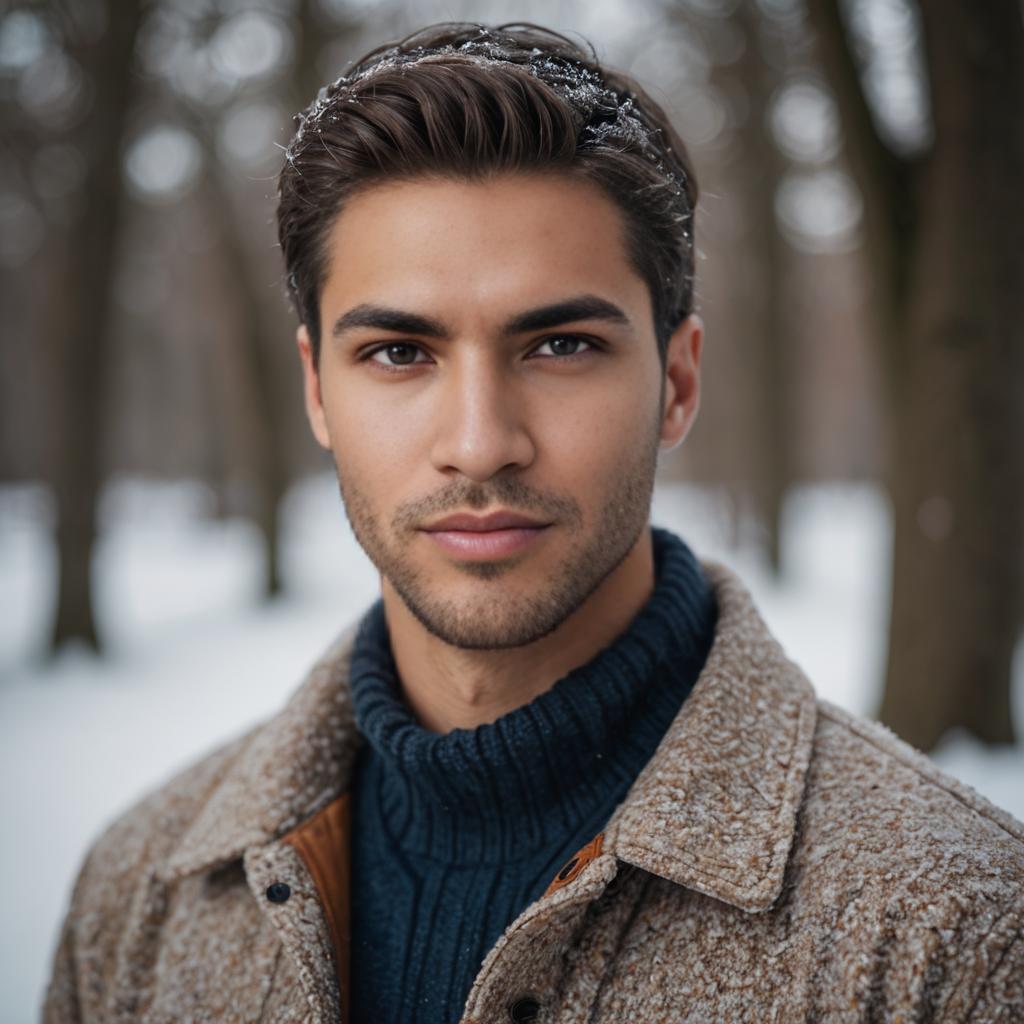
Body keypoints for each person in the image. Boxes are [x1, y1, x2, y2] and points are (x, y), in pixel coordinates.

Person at [44, 21, 1023, 1024]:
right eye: (397, 352)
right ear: (317, 392)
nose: (479, 442)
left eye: (558, 344)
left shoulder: (958, 935)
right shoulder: (137, 899)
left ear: (678, 382)